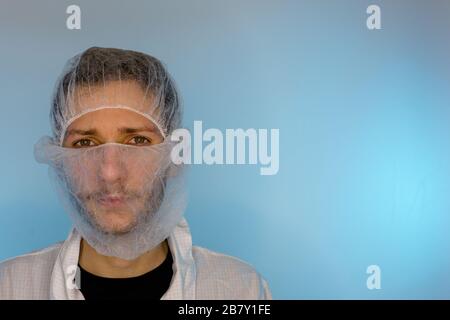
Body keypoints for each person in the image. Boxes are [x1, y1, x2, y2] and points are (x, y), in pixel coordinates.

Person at [0, 47, 271, 300]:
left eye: (137, 141)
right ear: (59, 161)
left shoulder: (239, 290)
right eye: (85, 144)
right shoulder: (10, 287)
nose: (110, 173)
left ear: (174, 156)